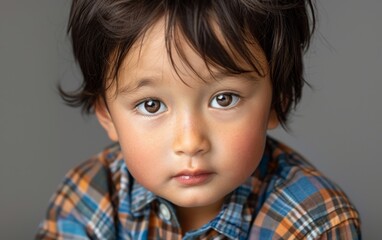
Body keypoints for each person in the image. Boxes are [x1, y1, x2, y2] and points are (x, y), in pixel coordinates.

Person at [36, 0, 361, 239]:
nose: (190, 142)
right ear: (107, 115)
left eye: (224, 99)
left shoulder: (312, 220)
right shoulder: (88, 198)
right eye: (151, 105)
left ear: (277, 101)